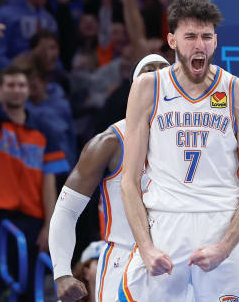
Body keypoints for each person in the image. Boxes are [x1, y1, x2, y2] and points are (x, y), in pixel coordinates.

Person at [119, 0, 239, 301]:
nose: (199, 45)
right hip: (165, 222)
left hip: (222, 220)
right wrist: (146, 248)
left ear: (215, 41)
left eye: (206, 36)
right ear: (172, 40)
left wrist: (225, 247)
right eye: (190, 36)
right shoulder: (148, 87)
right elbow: (129, 181)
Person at [49, 54, 169, 302]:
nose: (158, 75)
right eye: (149, 70)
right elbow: (66, 209)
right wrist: (61, 273)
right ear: (134, 86)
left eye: (165, 70)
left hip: (176, 263)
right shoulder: (110, 141)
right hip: (124, 261)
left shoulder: (197, 140)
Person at [0, 23, 68, 302]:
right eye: (10, 85)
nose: (16, 90)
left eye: (21, 85)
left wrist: (49, 224)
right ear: (2, 91)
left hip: (30, 218)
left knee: (27, 290)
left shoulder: (43, 131)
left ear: (28, 90)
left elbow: (50, 181)